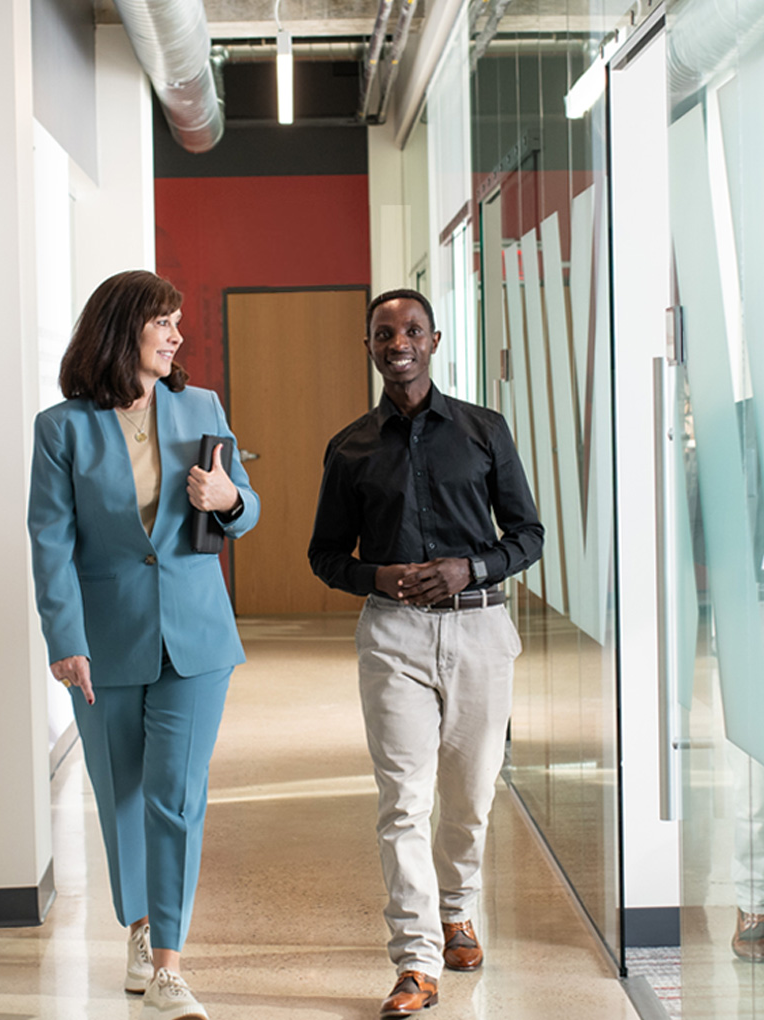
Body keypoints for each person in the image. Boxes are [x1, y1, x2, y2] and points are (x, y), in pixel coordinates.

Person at [28, 270, 259, 1020]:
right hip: (104, 639)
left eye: (177, 324)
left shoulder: (200, 407)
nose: (177, 336)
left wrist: (227, 502)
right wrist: (64, 639)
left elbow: (244, 506)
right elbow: (51, 542)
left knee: (176, 797)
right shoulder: (61, 428)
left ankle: (168, 964)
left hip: (195, 634)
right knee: (120, 792)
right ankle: (138, 925)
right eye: (163, 322)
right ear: (122, 328)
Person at [308, 289, 543, 1017]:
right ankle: (416, 961)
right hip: (394, 638)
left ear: (434, 341)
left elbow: (528, 535)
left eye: (411, 330)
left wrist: (468, 568)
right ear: (371, 347)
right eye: (384, 333)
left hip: (478, 631)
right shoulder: (349, 447)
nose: (398, 342)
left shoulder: (483, 430)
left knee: (470, 796)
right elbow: (324, 556)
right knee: (404, 803)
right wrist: (373, 576)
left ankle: (457, 910)